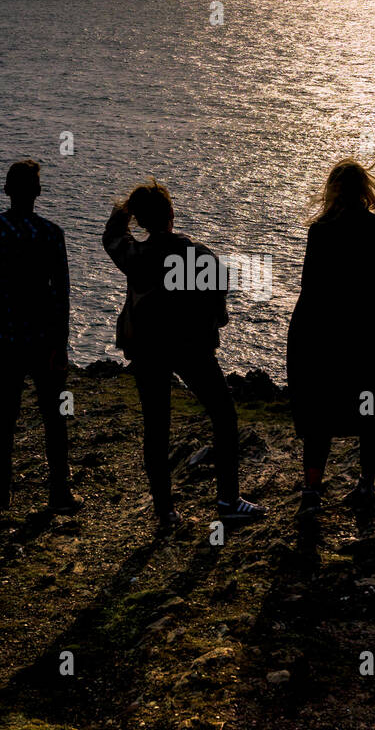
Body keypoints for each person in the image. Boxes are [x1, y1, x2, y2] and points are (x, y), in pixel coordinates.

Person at [102, 177, 266, 532]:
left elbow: (112, 238)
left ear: (141, 220)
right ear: (172, 212)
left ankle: (166, 512)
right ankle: (227, 500)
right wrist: (213, 322)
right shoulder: (195, 253)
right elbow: (218, 295)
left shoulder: (137, 256)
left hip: (146, 349)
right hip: (190, 348)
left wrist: (123, 211)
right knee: (223, 416)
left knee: (156, 428)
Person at [287, 157, 375, 518]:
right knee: (370, 413)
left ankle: (312, 491)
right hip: (368, 343)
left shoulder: (320, 232)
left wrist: (301, 344)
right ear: (365, 190)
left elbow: (310, 291)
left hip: (325, 341)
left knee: (319, 419)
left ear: (333, 192)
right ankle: (366, 485)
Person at [0, 159, 75, 513]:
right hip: (44, 339)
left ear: (7, 190)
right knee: (54, 418)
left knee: (4, 418)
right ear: (38, 192)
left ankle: (2, 493)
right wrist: (61, 345)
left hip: (6, 338)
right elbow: (61, 294)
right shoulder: (50, 234)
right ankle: (59, 493)